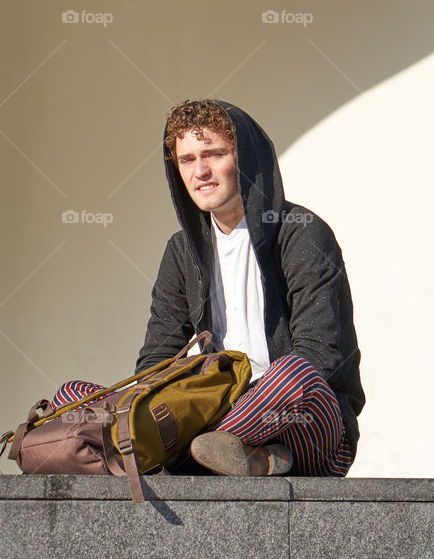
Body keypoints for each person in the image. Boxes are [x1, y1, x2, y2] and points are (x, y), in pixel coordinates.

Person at [52, 99, 365, 477]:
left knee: (294, 374)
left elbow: (321, 358)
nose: (200, 171)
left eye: (214, 154)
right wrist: (178, 411)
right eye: (186, 160)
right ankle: (217, 456)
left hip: (303, 427)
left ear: (245, 159)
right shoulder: (181, 251)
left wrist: (215, 415)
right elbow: (156, 362)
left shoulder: (302, 233)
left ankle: (224, 455)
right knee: (73, 399)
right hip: (210, 413)